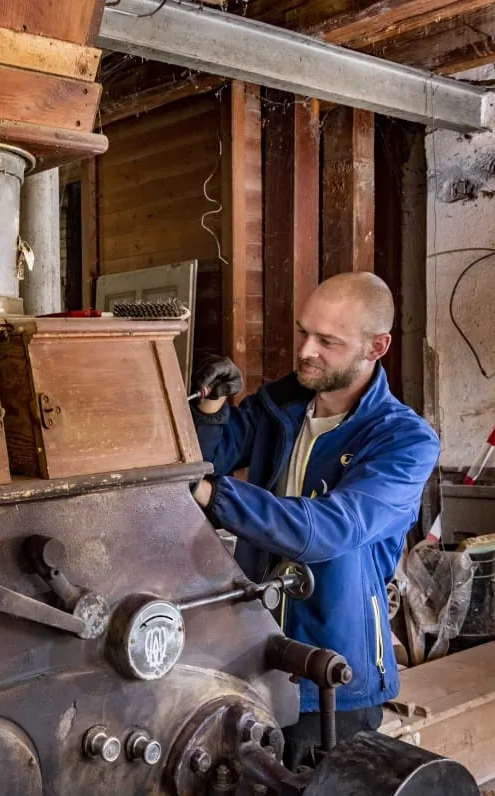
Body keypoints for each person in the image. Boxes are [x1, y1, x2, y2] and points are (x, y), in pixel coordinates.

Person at [188, 272, 440, 769]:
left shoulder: (405, 442)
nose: (305, 350)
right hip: (254, 650)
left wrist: (212, 494)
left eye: (327, 342)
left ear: (378, 346)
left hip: (335, 669)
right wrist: (213, 406)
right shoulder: (281, 404)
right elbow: (205, 457)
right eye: (304, 332)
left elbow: (330, 529)